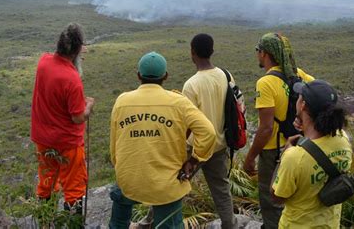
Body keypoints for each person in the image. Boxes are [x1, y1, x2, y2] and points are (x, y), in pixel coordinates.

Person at [109, 51, 216, 228]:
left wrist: (121, 167)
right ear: (165, 76)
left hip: (128, 179)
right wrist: (195, 159)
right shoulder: (178, 102)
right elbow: (208, 132)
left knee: (118, 219)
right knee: (169, 223)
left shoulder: (122, 101)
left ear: (138, 76)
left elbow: (114, 146)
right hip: (166, 184)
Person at [243, 32, 314, 229]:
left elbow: (265, 129)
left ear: (264, 53)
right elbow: (319, 97)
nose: (257, 55)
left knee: (271, 200)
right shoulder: (300, 75)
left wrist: (250, 158)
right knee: (294, 195)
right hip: (300, 145)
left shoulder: (265, 83)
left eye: (258, 51)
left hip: (273, 151)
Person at [31, 23, 95, 216]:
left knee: (47, 182)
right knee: (74, 187)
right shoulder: (71, 78)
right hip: (68, 143)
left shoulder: (43, 62)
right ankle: (73, 223)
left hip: (43, 139)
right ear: (76, 49)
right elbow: (77, 118)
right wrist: (89, 107)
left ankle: (44, 221)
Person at [271, 80, 352, 228]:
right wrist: (305, 128)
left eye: (300, 97)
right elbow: (320, 141)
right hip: (331, 224)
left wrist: (284, 155)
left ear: (302, 105)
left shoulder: (294, 157)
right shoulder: (343, 139)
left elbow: (277, 197)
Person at [182, 33, 238, 228]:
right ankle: (230, 224)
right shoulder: (225, 75)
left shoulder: (191, 85)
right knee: (221, 190)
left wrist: (187, 154)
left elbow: (188, 124)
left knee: (174, 185)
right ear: (212, 51)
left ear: (192, 52)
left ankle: (149, 223)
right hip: (219, 144)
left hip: (195, 148)